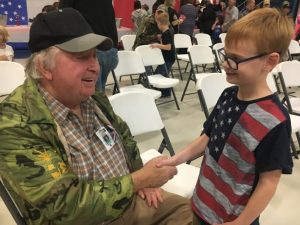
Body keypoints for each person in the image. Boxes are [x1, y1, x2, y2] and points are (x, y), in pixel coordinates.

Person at [0, 8, 193, 225]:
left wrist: (141, 176)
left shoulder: (94, 100)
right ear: (44, 67)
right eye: (82, 57)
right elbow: (65, 206)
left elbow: (125, 139)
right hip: (85, 219)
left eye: (94, 56)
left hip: (125, 202)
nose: (95, 67)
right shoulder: (16, 123)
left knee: (187, 211)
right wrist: (141, 179)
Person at [158, 8, 294, 225]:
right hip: (202, 202)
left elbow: (268, 183)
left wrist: (241, 222)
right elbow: (207, 137)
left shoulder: (275, 120)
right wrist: (175, 159)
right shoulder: (228, 95)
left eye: (235, 59)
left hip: (233, 217)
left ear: (269, 61)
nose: (225, 64)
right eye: (225, 55)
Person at [59, 0, 119, 93]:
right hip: (110, 48)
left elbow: (63, 17)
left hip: (91, 49)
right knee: (99, 94)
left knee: (93, 96)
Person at [150, 12, 176, 97]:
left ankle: (165, 92)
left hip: (168, 58)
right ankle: (165, 92)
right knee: (162, 73)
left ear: (160, 23)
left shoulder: (166, 33)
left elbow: (168, 47)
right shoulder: (168, 31)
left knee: (161, 74)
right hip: (169, 57)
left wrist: (157, 45)